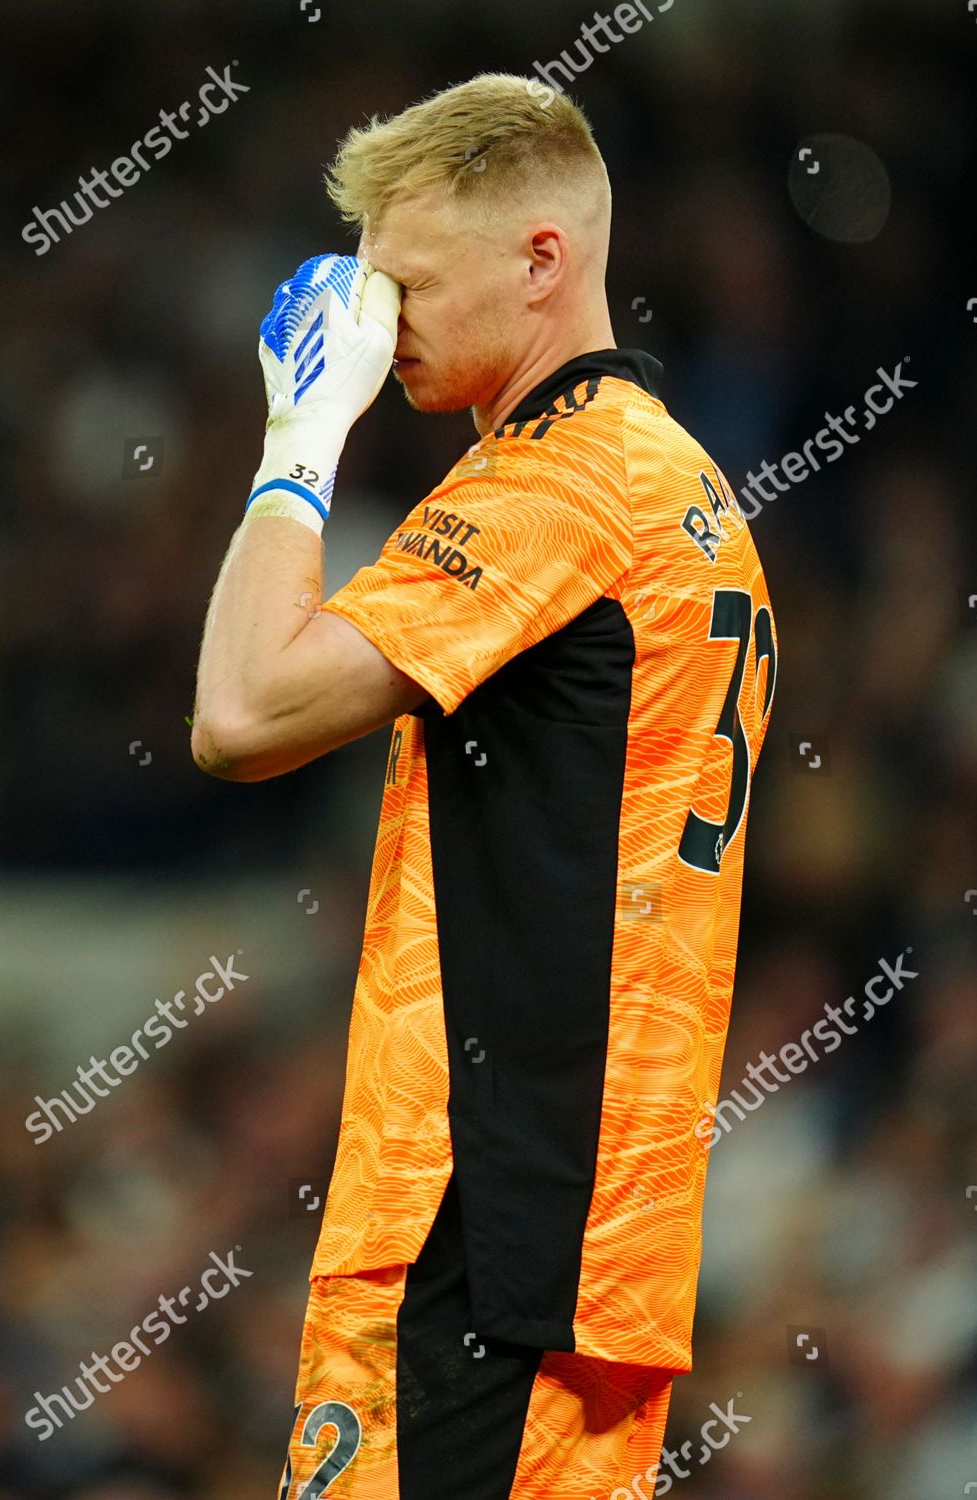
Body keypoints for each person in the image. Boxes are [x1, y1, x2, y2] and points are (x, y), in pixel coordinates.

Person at [191, 70, 776, 1500]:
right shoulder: (677, 482)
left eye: (405, 285)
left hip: (489, 1229)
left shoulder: (556, 487)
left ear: (541, 262)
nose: (376, 327)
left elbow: (240, 710)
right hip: (584, 1232)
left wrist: (296, 450)